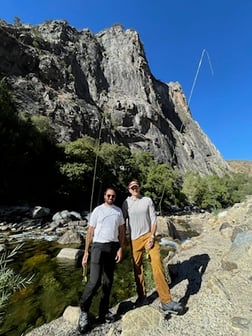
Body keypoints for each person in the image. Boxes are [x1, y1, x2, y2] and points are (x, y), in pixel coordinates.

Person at [122, 180, 184, 315]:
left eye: (136, 186)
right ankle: (142, 297)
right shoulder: (125, 203)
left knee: (157, 263)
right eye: (132, 187)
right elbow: (122, 222)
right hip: (134, 240)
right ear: (129, 189)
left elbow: (153, 220)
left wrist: (151, 237)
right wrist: (124, 240)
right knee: (137, 269)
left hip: (148, 237)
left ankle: (166, 300)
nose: (134, 189)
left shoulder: (147, 200)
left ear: (139, 187)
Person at [78, 187, 125, 334]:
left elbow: (122, 231)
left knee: (108, 282)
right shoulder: (97, 210)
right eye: (109, 195)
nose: (111, 197)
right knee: (94, 282)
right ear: (104, 196)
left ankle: (103, 312)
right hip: (98, 247)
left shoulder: (118, 211)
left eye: (113, 196)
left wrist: (121, 248)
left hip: (113, 247)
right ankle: (84, 312)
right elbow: (90, 231)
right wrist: (86, 252)